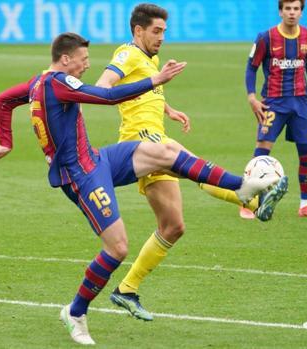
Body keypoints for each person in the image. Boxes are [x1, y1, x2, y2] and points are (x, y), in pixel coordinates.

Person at [0, 32, 287, 345]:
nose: (87, 66)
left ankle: (241, 188)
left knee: (166, 153)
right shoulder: (59, 83)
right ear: (65, 59)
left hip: (97, 159)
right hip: (80, 177)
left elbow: (2, 101)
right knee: (117, 248)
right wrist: (155, 79)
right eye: (83, 60)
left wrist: (5, 141)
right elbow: (107, 96)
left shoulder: (39, 82)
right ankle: (75, 312)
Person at [94, 2, 258, 321]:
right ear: (138, 30)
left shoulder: (150, 58)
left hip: (154, 136)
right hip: (141, 142)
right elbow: (103, 88)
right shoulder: (127, 54)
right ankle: (251, 198)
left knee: (173, 226)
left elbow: (144, 91)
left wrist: (168, 108)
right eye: (156, 31)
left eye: (164, 32)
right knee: (194, 166)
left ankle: (126, 290)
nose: (162, 37)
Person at [245, 0, 307, 218]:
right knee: (261, 151)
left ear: (301, 12)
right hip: (273, 102)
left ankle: (305, 205)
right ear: (280, 12)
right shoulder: (266, 37)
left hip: (301, 103)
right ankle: (248, 203)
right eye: (288, 9)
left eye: (296, 9)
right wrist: (252, 97)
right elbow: (251, 68)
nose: (292, 13)